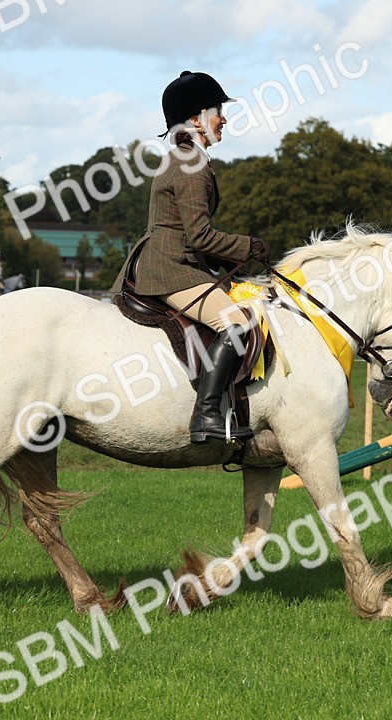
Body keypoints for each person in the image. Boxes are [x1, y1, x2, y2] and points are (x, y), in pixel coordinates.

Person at [110, 71, 270, 443]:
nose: (224, 119)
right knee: (240, 322)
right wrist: (247, 246)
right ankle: (207, 414)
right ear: (196, 119)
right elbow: (199, 234)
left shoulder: (187, 158)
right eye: (217, 111)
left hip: (177, 262)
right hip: (169, 268)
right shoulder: (190, 164)